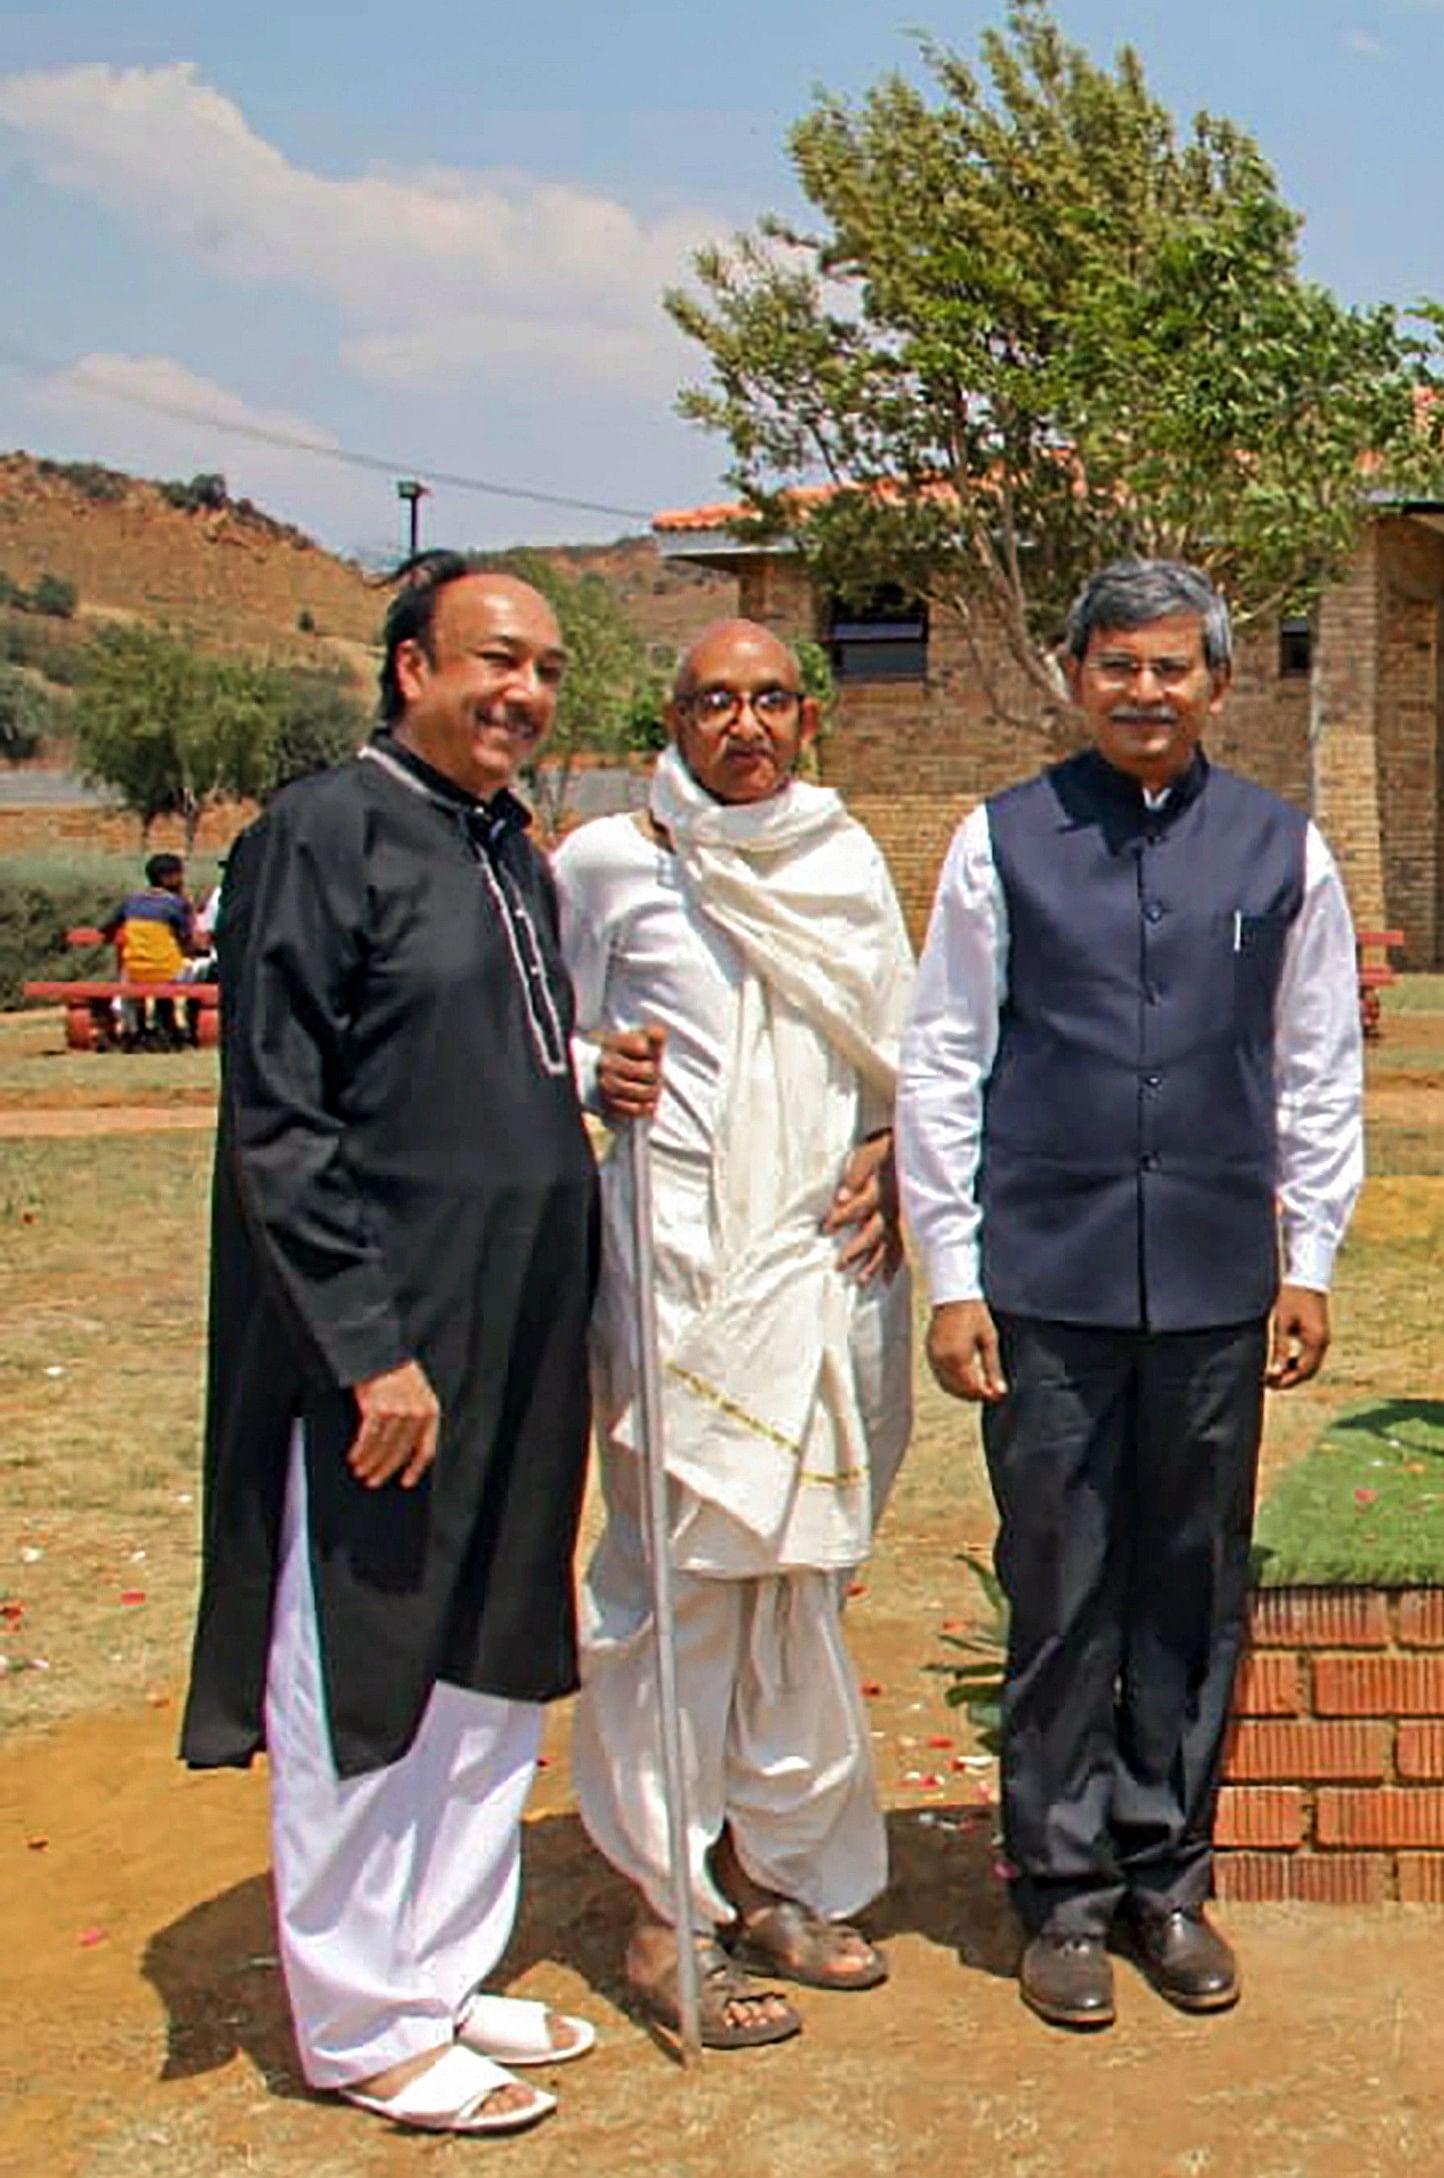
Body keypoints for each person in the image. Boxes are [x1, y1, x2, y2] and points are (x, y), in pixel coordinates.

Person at [181, 555, 644, 2135]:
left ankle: (440, 1966)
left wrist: (586, 1066)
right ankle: (360, 2016)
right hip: (391, 1338)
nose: (523, 692)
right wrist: (367, 1346)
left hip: (521, 1319)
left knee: (494, 1651)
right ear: (409, 668)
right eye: (494, 661)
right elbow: (283, 1118)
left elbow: (451, 1040)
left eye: (546, 670)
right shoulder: (323, 832)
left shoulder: (504, 844)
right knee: (369, 1656)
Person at [899, 558, 1365, 2032]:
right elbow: (941, 1059)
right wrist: (951, 1271)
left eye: (1174, 668)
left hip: (1219, 1283)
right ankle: (1059, 1893)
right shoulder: (999, 844)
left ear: (1220, 685)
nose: (1145, 691)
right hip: (1048, 1279)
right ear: (1075, 674)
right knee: (1060, 1582)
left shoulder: (1283, 850)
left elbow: (1317, 1071)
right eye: (1119, 665)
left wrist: (1311, 1259)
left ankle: (1168, 1877)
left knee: (1187, 1583)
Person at [557, 620, 915, 2051]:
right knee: (676, 1583)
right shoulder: (606, 861)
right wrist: (599, 1064)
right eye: (717, 700)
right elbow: (547, 1032)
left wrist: (890, 1151)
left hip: (833, 1267)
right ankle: (665, 1903)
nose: (745, 723)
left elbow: (905, 1055)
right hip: (678, 1258)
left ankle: (781, 1873)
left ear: (811, 717)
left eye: (772, 698)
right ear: (675, 715)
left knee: (805, 1579)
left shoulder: (844, 863)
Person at [107, 851, 202, 1047]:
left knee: (127, 973)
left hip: (136, 972)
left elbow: (107, 927)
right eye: (179, 874)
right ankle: (183, 1029)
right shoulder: (176, 904)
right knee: (201, 970)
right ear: (168, 878)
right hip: (168, 971)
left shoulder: (131, 901)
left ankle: (135, 1030)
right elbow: (187, 941)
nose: (182, 879)